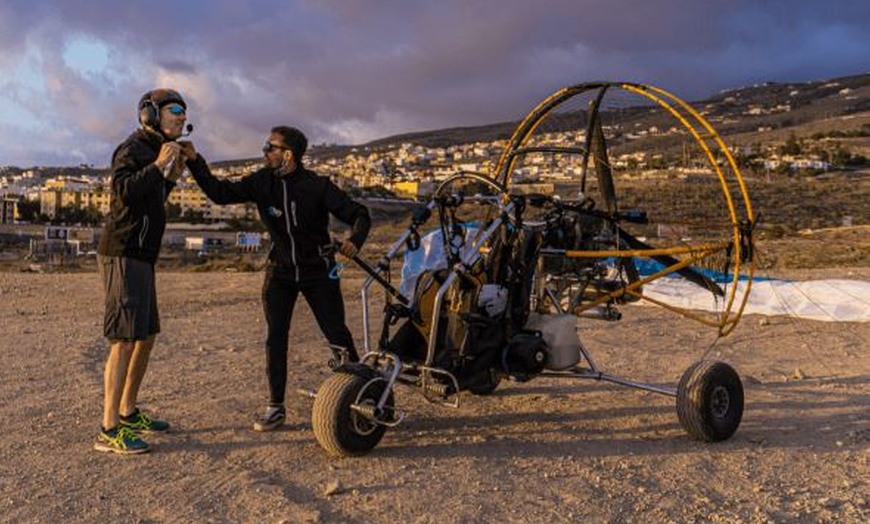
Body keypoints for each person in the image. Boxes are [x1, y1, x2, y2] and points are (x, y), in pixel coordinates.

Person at [187, 125, 370, 432]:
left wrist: (356, 239)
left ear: (288, 155)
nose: (264, 152)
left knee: (336, 333)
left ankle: (361, 396)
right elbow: (219, 194)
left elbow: (359, 213)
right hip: (280, 273)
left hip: (318, 270)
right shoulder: (261, 182)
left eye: (269, 147)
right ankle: (276, 407)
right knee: (276, 338)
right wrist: (195, 161)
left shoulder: (317, 185)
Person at [94, 88, 207, 454]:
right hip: (123, 251)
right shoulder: (132, 149)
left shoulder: (160, 151)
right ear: (150, 114)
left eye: (183, 112)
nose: (180, 116)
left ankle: (128, 412)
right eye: (174, 109)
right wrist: (159, 164)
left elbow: (153, 196)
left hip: (144, 255)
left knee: (146, 336)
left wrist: (175, 169)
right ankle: (108, 429)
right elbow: (124, 190)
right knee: (124, 339)